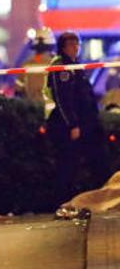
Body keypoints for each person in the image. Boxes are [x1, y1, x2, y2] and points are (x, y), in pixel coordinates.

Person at [47, 31, 111, 203]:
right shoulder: (62, 67)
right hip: (72, 126)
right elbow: (63, 99)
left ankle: (102, 198)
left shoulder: (76, 65)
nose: (76, 48)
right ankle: (62, 201)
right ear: (63, 47)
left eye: (77, 44)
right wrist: (72, 125)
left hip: (88, 123)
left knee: (99, 160)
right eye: (72, 45)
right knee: (68, 165)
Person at [15, 28, 56, 114]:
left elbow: (18, 92)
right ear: (51, 45)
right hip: (53, 114)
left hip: (32, 113)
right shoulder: (56, 64)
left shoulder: (26, 65)